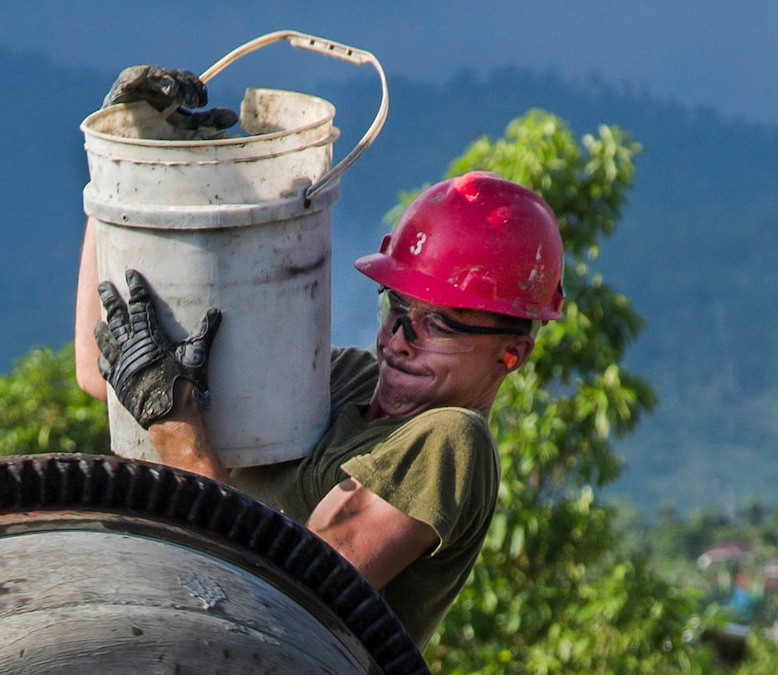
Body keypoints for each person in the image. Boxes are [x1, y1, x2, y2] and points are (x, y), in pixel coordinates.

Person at [74, 68, 565, 649]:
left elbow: (287, 599)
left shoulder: (450, 442)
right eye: (398, 309)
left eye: (440, 325)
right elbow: (96, 371)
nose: (400, 339)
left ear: (511, 354)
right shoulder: (337, 378)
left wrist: (177, 428)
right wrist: (124, 172)